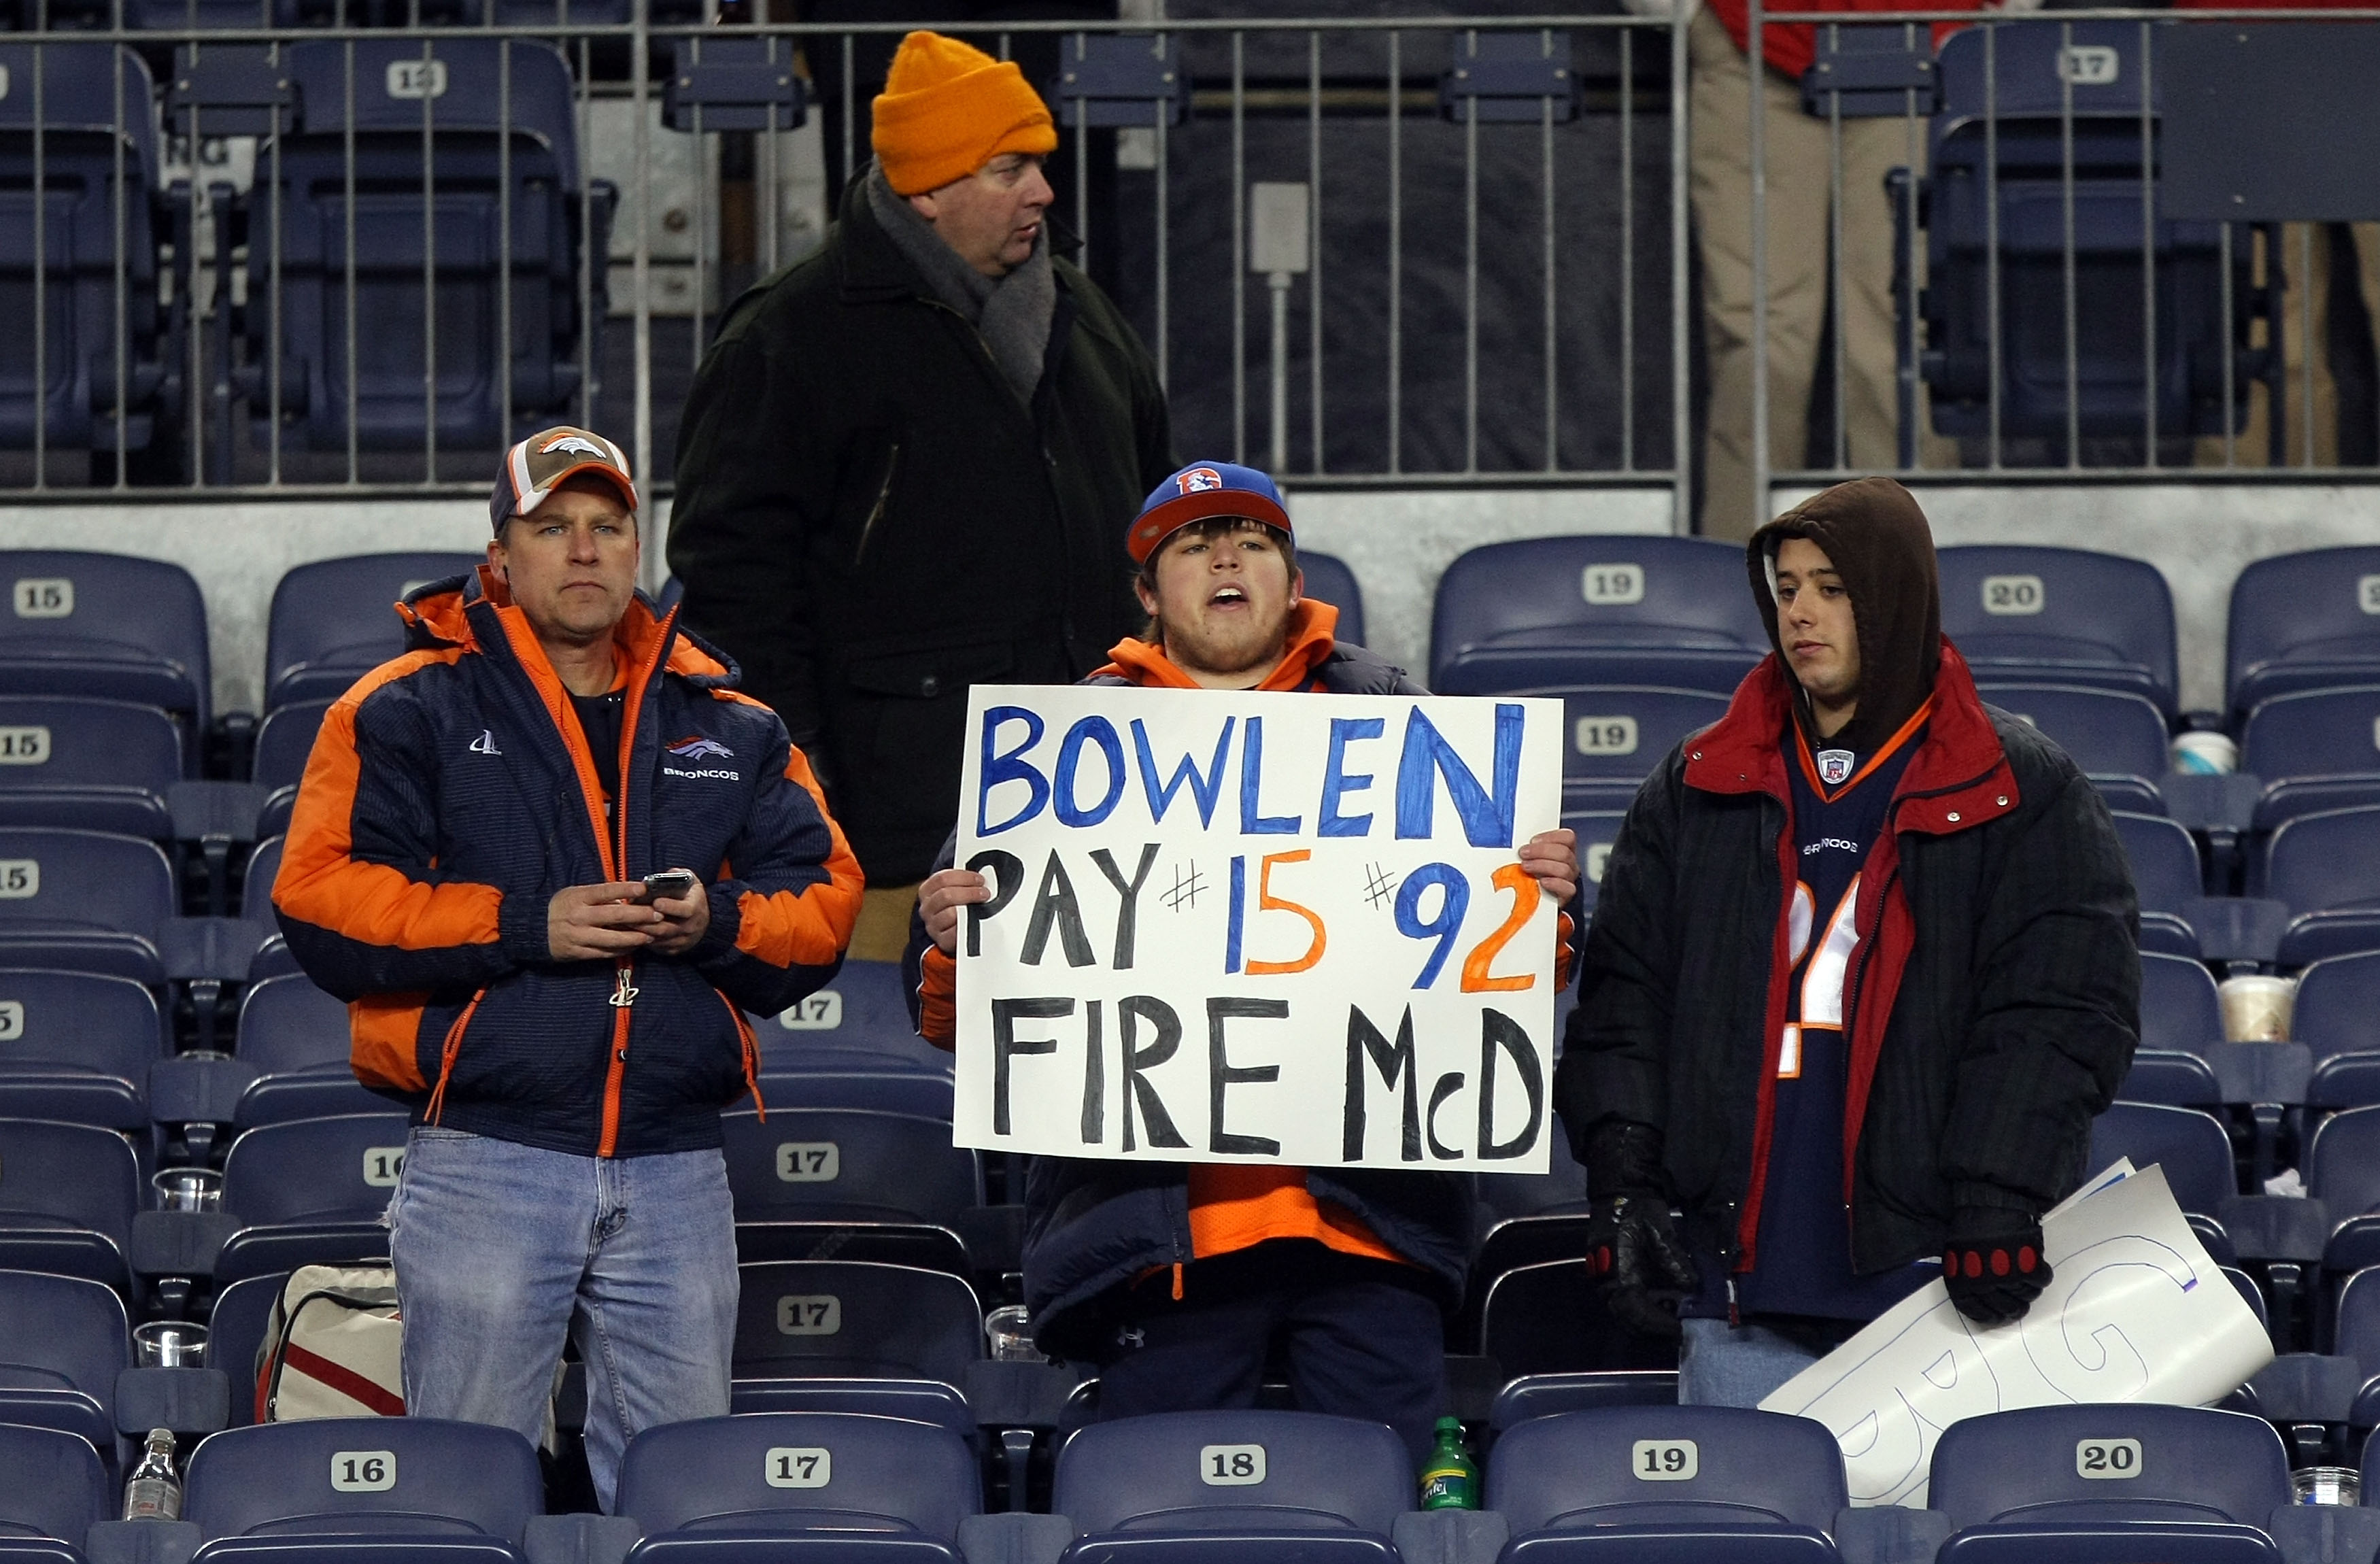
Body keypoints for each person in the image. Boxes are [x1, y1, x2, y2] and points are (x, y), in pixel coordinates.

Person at [900, 461, 1579, 1465]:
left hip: (1369, 1237)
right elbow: (955, 1025)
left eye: (1254, 540)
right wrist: (956, 940)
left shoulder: (1402, 720)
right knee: (1168, 1517)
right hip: (1156, 1245)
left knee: (1375, 1515)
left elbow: (1511, 986)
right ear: (1147, 592)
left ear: (1290, 576)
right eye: (1195, 543)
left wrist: (1544, 906)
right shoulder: (1054, 751)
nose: (1228, 557)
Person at [271, 426, 863, 1508]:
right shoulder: (404, 707)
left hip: (678, 1172)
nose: (585, 550)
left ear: (640, 545)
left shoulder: (732, 721)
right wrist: (524, 925)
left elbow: (825, 902)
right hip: (487, 1161)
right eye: (553, 528)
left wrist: (714, 922)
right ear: (499, 555)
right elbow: (320, 902)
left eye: (608, 526)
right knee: (466, 1494)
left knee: (677, 1500)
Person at [1557, 475, 2138, 1406]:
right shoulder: (1699, 779)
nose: (1802, 614)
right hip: (1738, 1290)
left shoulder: (2020, 784)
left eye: (1833, 587)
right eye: (1787, 589)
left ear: (1894, 597)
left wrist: (1999, 1189)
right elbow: (1629, 997)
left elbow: (2061, 1007)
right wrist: (1625, 1176)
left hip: (1933, 1290)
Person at [668, 28, 1175, 962]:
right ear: (927, 189)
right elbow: (733, 589)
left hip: (1110, 828)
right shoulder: (791, 337)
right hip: (895, 841)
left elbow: (1155, 535)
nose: (1044, 193)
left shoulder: (1089, 316)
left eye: (1042, 166)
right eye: (1010, 169)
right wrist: (798, 788)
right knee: (903, 1090)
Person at [1679, 0, 1973, 538]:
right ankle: (1739, 583)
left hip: (1916, 49)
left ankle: (1912, 585)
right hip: (1750, 50)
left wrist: (1985, 18)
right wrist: (1689, 15)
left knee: (1902, 328)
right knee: (1758, 337)